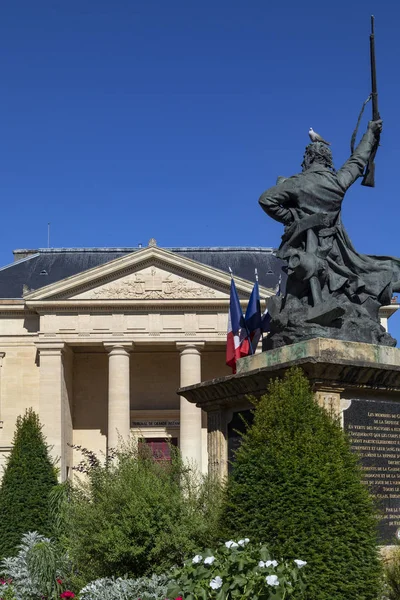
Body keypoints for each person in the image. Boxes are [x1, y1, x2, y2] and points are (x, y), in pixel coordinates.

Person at [258, 120, 400, 348]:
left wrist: (293, 220)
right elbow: (357, 160)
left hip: (307, 252)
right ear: (327, 161)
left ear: (307, 160)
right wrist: (371, 134)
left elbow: (266, 199)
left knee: (296, 299)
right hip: (335, 249)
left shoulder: (297, 183)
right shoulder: (336, 182)